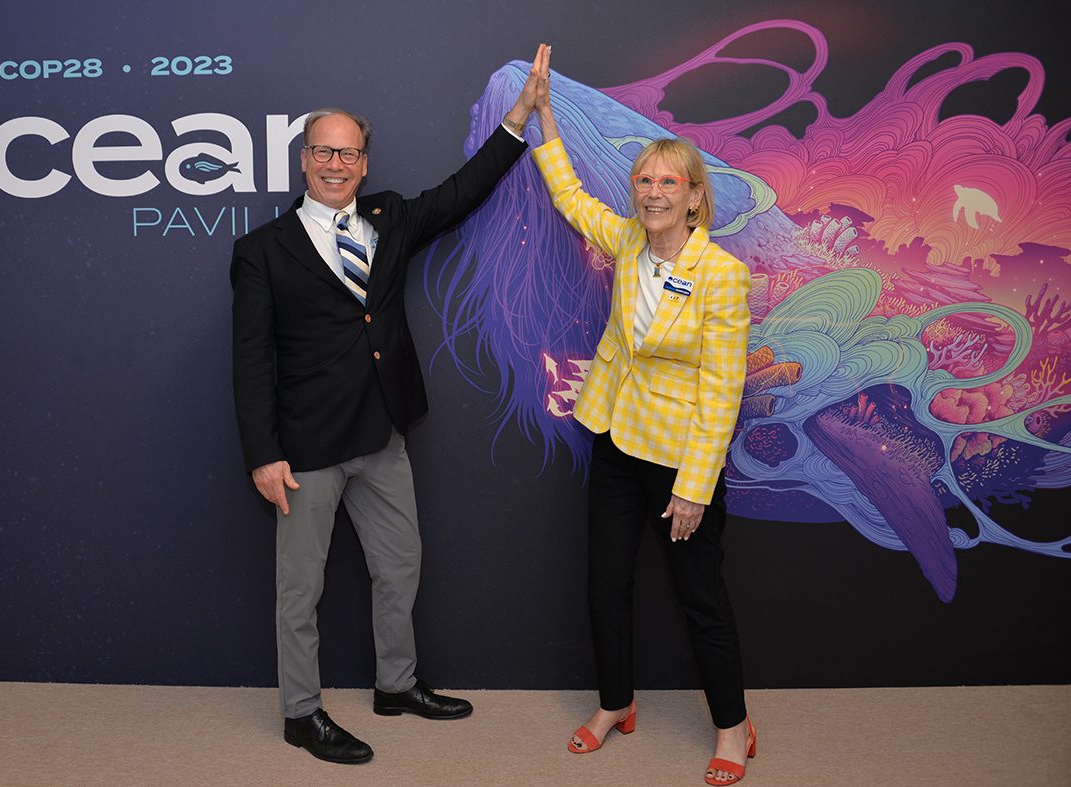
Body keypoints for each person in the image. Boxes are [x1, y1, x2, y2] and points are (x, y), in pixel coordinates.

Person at [229, 45, 550, 765]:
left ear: (364, 162)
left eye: (349, 153)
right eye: (323, 152)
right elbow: (250, 361)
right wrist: (262, 453)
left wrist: (520, 117)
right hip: (306, 448)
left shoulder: (389, 217)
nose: (336, 164)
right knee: (299, 590)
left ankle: (396, 685)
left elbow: (461, 191)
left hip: (382, 434)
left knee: (400, 566)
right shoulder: (263, 251)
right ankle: (300, 713)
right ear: (304, 159)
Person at [531, 59, 757, 785]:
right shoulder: (628, 241)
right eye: (645, 179)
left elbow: (724, 387)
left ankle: (733, 725)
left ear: (695, 197)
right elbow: (567, 193)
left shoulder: (722, 273)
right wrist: (546, 115)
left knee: (700, 597)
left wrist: (694, 487)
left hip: (682, 461)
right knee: (605, 582)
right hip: (616, 442)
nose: (654, 191)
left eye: (670, 181)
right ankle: (615, 703)